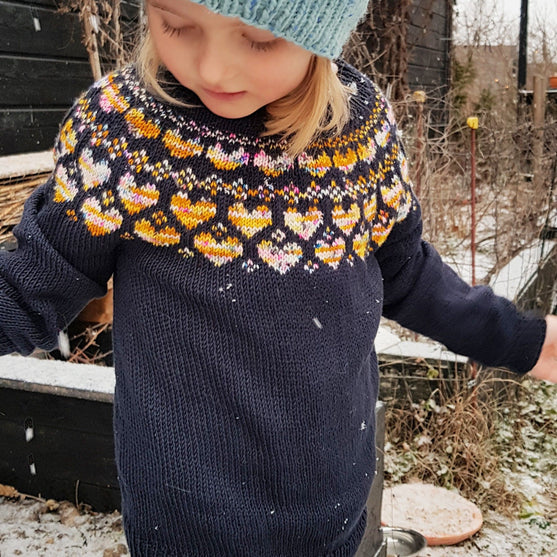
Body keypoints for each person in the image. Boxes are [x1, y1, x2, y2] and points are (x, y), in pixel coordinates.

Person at [0, 0, 555, 555]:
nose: (213, 68)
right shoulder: (127, 134)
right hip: (186, 524)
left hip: (335, 509)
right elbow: (30, 288)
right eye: (176, 24)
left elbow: (408, 274)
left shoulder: (359, 136)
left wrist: (522, 340)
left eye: (260, 38)